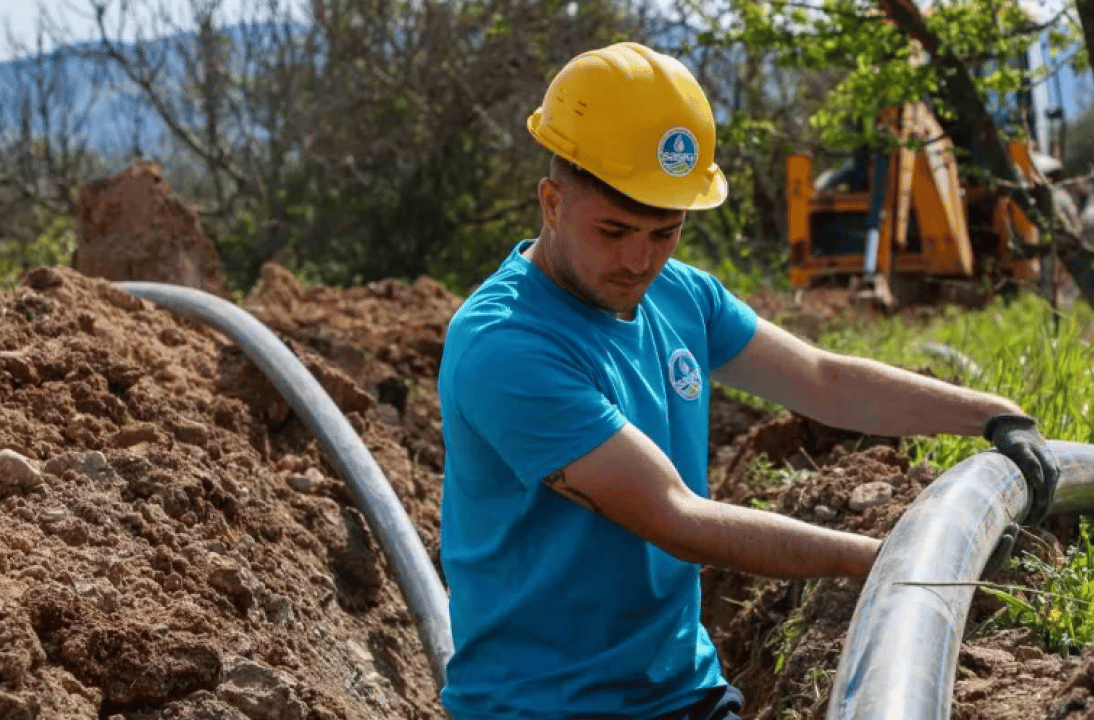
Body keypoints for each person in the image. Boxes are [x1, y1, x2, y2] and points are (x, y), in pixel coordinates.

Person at [437, 41, 1060, 720]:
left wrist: (993, 415)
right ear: (552, 203)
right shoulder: (506, 346)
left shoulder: (680, 295)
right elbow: (677, 518)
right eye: (614, 230)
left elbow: (821, 380)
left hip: (681, 689)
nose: (640, 259)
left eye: (665, 231)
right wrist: (895, 558)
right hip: (539, 707)